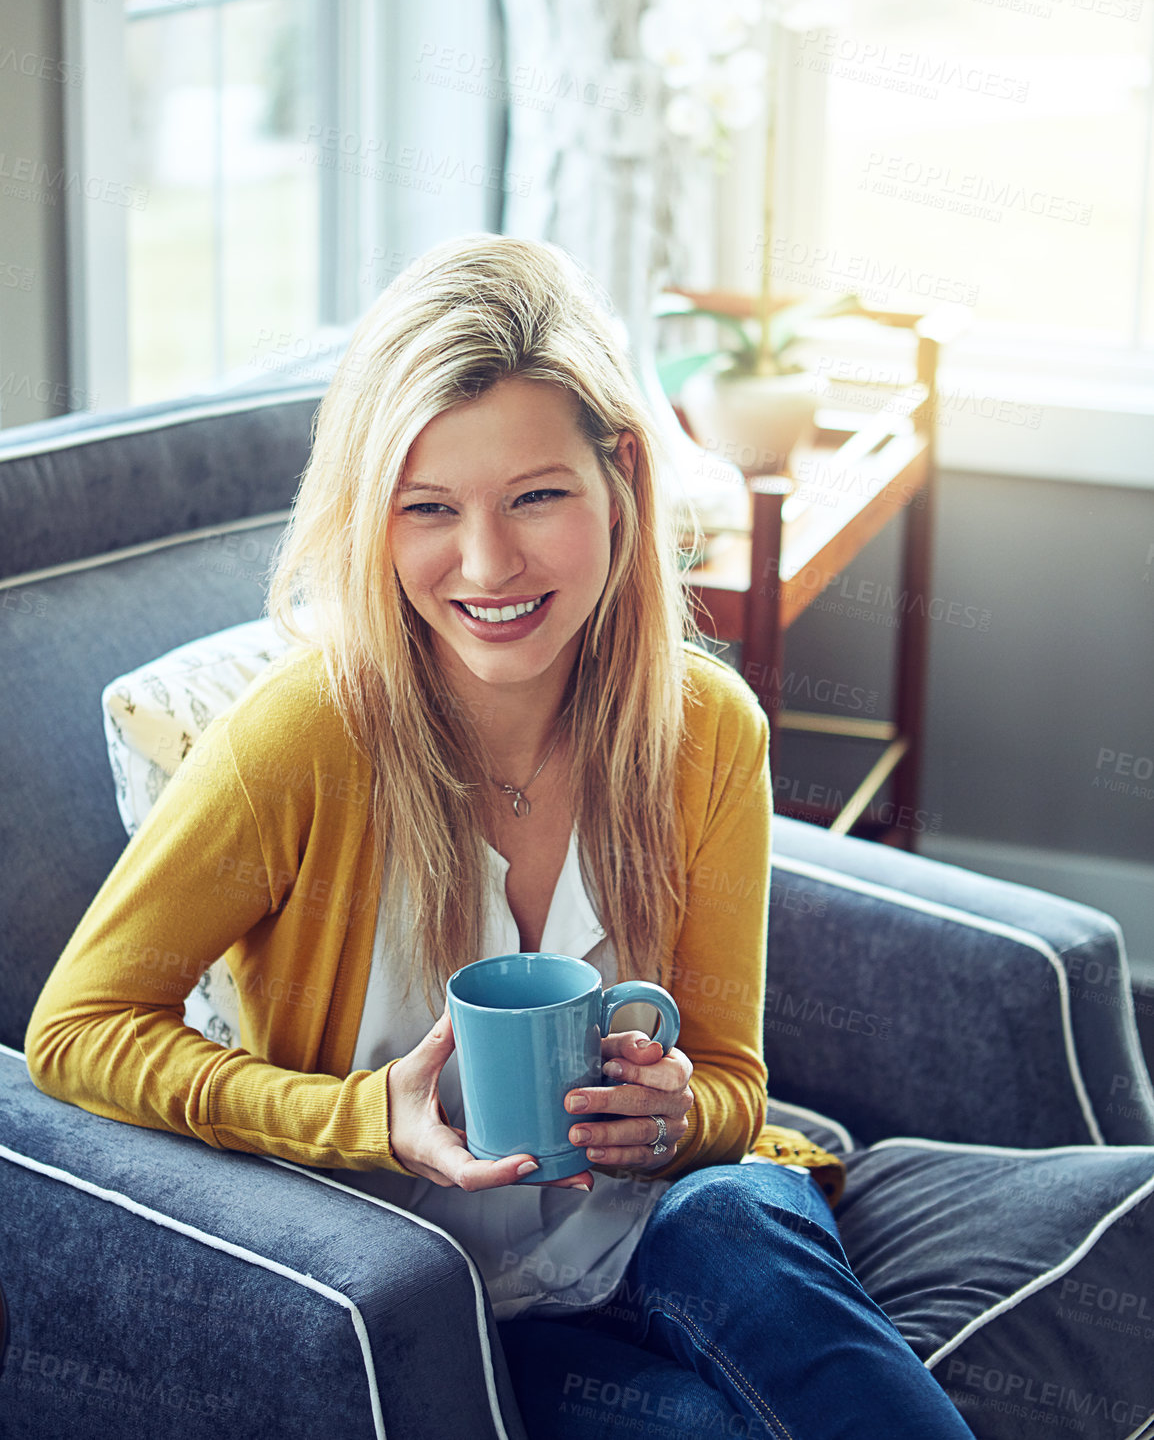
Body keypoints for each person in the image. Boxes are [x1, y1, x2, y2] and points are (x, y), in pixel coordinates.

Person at [27, 234, 973, 1439]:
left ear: (620, 478)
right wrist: (361, 1116)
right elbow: (77, 1030)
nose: (487, 565)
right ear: (374, 518)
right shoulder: (303, 740)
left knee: (744, 1228)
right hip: (437, 1292)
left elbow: (733, 1078)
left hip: (667, 1228)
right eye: (429, 509)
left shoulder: (704, 731)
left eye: (536, 495)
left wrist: (680, 1118)